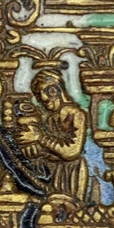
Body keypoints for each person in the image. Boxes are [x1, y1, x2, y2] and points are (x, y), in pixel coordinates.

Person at [15, 70, 88, 201]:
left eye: (48, 91)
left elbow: (72, 151)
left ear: (58, 91)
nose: (43, 98)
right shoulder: (50, 119)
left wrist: (39, 137)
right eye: (38, 94)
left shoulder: (76, 114)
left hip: (72, 172)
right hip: (53, 171)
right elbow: (49, 151)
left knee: (68, 205)